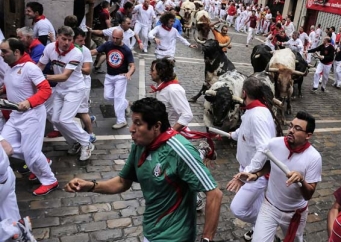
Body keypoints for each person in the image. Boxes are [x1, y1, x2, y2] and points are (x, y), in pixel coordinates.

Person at [64, 97, 223, 242]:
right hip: (151, 230)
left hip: (175, 236)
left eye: (138, 123)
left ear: (156, 126)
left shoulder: (180, 150)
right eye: (132, 122)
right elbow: (121, 182)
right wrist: (90, 186)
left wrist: (206, 239)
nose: (131, 129)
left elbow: (214, 194)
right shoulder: (139, 146)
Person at [235, 111, 322, 242]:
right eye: (291, 126)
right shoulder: (274, 144)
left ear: (308, 135)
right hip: (270, 207)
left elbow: (308, 194)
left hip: (295, 213)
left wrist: (301, 180)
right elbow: (272, 165)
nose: (291, 130)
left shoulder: (314, 158)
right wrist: (256, 174)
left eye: (297, 129)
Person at [0, 38, 59, 195]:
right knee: (4, 146)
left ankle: (50, 180)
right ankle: (39, 160)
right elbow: (11, 83)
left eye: (4, 51)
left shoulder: (30, 68)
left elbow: (45, 90)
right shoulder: (10, 68)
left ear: (17, 52)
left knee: (31, 152)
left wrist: (29, 102)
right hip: (15, 115)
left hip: (32, 115)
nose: (1, 54)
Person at [226, 77, 278, 241]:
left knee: (238, 208)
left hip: (254, 174)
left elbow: (263, 148)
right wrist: (232, 135)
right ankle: (259, 229)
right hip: (249, 169)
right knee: (259, 206)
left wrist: (248, 172)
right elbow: (245, 130)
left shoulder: (257, 115)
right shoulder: (253, 110)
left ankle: (265, 226)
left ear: (244, 92)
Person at [38, 26, 95, 161]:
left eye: (69, 40)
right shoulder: (49, 48)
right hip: (60, 88)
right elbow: (39, 66)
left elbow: (64, 76)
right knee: (55, 120)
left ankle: (86, 142)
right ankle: (74, 142)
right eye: (64, 39)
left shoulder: (76, 53)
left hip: (75, 89)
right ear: (58, 37)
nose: (67, 42)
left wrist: (42, 78)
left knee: (65, 119)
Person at [91, 29, 135, 129]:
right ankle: (126, 103)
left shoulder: (126, 50)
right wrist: (82, 52)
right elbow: (95, 51)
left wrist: (128, 73)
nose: (114, 40)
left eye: (117, 38)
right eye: (113, 37)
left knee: (118, 98)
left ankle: (121, 121)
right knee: (107, 97)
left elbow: (132, 65)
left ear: (122, 38)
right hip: (109, 76)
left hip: (121, 77)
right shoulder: (108, 45)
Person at [150, 58, 193, 131]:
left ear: (160, 72)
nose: (150, 73)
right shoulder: (161, 86)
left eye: (152, 70)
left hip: (172, 133)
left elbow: (187, 115)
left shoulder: (174, 90)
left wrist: (171, 132)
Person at [73, 28, 96, 143]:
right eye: (80, 40)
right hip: (71, 85)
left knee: (82, 111)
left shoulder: (85, 50)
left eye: (83, 40)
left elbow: (87, 70)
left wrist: (73, 68)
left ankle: (90, 134)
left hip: (83, 83)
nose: (83, 43)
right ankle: (88, 120)